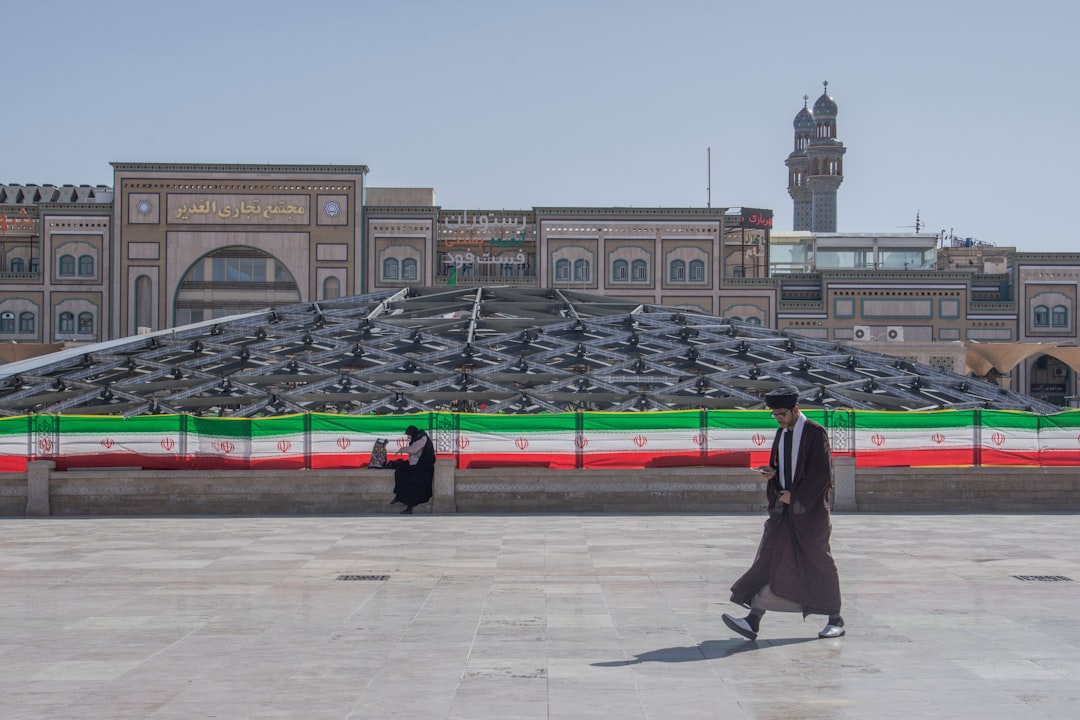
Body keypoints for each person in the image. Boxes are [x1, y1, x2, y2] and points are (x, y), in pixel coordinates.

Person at [722, 384, 846, 640]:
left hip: (809, 513)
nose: (778, 419)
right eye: (774, 415)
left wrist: (796, 495)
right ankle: (753, 620)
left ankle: (836, 618)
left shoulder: (814, 433)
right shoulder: (783, 434)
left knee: (818, 561)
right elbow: (786, 468)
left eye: (781, 414)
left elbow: (822, 475)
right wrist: (773, 475)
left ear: (795, 409)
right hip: (786, 511)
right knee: (773, 558)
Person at [389, 425, 435, 514]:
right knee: (400, 470)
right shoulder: (418, 438)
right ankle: (398, 495)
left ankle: (409, 507)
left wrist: (402, 449)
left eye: (408, 435)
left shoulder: (421, 439)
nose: (408, 437)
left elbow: (413, 450)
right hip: (416, 465)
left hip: (421, 467)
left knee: (412, 485)